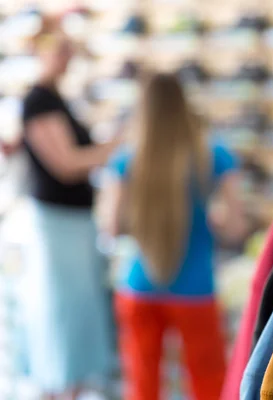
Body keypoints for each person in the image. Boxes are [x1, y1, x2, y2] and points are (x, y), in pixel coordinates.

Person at [102, 72, 248, 400]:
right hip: (195, 288)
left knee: (142, 384)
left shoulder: (127, 159)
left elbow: (112, 228)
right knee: (209, 383)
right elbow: (235, 228)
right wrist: (209, 222)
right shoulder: (214, 155)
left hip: (139, 284)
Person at [19, 16, 118, 400]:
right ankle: (57, 390)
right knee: (60, 312)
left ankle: (69, 389)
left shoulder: (56, 98)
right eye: (58, 49)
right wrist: (114, 146)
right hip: (58, 223)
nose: (66, 56)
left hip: (73, 221)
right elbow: (66, 163)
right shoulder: (39, 100)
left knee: (74, 311)